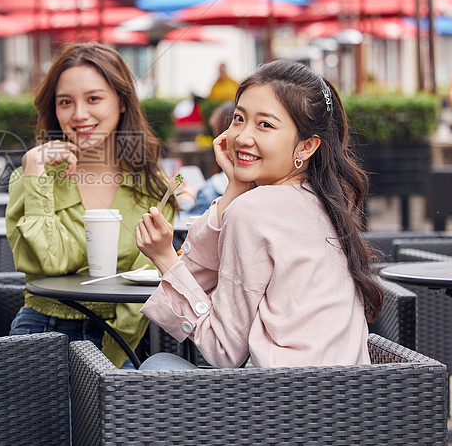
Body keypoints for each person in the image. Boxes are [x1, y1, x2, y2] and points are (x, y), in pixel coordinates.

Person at [134, 60, 382, 369]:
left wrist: (165, 259)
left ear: (306, 146)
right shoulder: (324, 201)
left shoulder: (253, 210)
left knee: (156, 367)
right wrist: (235, 187)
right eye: (238, 119)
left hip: (281, 407)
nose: (241, 137)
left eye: (264, 124)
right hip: (350, 403)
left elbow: (223, 351)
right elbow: (207, 276)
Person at [6, 42, 177, 367]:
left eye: (94, 98)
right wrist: (35, 175)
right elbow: (42, 262)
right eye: (65, 102)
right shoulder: (32, 175)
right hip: (39, 333)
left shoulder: (151, 186)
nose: (79, 114)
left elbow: (148, 279)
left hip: (116, 341)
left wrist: (111, 358)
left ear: (122, 102)